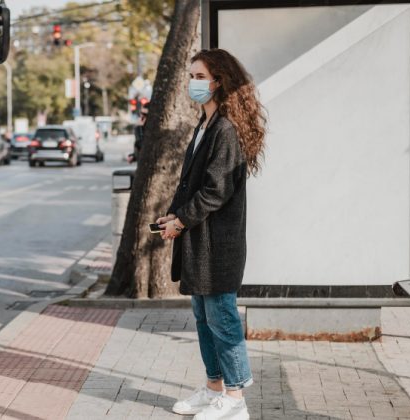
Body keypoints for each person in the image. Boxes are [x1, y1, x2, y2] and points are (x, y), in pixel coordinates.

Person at [157, 49, 266, 420]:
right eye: (191, 76)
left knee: (222, 317)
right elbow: (191, 183)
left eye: (200, 76)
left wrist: (181, 221)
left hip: (218, 245)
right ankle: (214, 388)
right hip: (199, 243)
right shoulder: (204, 125)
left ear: (219, 80)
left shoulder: (226, 129)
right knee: (204, 317)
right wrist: (172, 216)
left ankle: (236, 400)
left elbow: (215, 190)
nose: (193, 83)